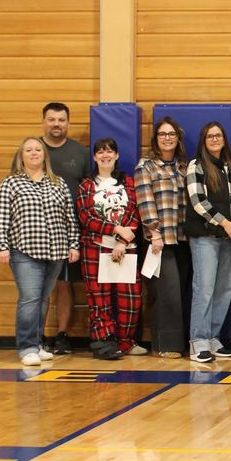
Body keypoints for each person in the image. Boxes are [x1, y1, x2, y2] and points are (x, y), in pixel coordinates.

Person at [0, 137, 81, 366]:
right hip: (24, 251)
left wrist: (73, 244)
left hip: (56, 251)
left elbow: (69, 217)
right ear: (21, 156)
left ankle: (38, 344)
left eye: (38, 150)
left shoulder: (58, 183)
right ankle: (27, 347)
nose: (34, 153)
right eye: (29, 150)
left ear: (44, 155)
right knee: (30, 299)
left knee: (42, 300)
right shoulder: (11, 183)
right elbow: (1, 217)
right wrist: (2, 246)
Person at [76, 138, 143, 360]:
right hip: (96, 249)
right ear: (95, 157)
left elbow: (134, 212)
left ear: (116, 156)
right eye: (100, 152)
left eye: (110, 152)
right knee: (99, 299)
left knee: (130, 300)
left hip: (126, 249)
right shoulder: (86, 186)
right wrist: (116, 230)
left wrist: (123, 241)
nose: (105, 156)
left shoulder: (129, 183)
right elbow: (86, 217)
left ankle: (126, 341)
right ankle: (103, 342)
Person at [184, 121, 231, 363]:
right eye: (210, 136)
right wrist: (224, 222)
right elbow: (198, 201)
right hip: (205, 236)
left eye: (218, 135)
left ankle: (213, 337)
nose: (215, 139)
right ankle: (198, 341)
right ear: (203, 141)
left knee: (224, 289)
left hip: (228, 236)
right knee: (204, 288)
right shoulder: (196, 165)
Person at [135, 117, 190, 359]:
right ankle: (168, 345)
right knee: (168, 293)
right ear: (156, 139)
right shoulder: (146, 166)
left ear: (178, 138)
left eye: (171, 134)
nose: (167, 138)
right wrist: (153, 232)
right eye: (162, 134)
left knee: (179, 292)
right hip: (160, 240)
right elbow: (145, 200)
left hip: (184, 238)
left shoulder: (183, 167)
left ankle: (162, 341)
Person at [40, 102, 88, 354]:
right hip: (35, 233)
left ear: (68, 123)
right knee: (37, 286)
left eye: (61, 120)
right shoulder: (33, 150)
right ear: (43, 122)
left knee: (64, 285)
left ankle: (62, 335)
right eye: (51, 119)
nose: (56, 124)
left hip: (69, 232)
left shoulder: (80, 153)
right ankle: (36, 336)